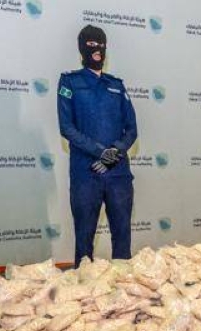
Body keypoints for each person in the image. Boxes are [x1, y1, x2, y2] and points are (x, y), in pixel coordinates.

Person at [57, 25, 138, 268]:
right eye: (92, 44)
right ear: (82, 48)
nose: (97, 49)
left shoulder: (116, 85)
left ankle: (123, 286)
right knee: (84, 241)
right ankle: (84, 287)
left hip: (118, 174)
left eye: (101, 44)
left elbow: (132, 129)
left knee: (122, 238)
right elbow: (67, 128)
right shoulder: (70, 82)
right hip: (86, 174)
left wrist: (113, 154)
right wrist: (101, 153)